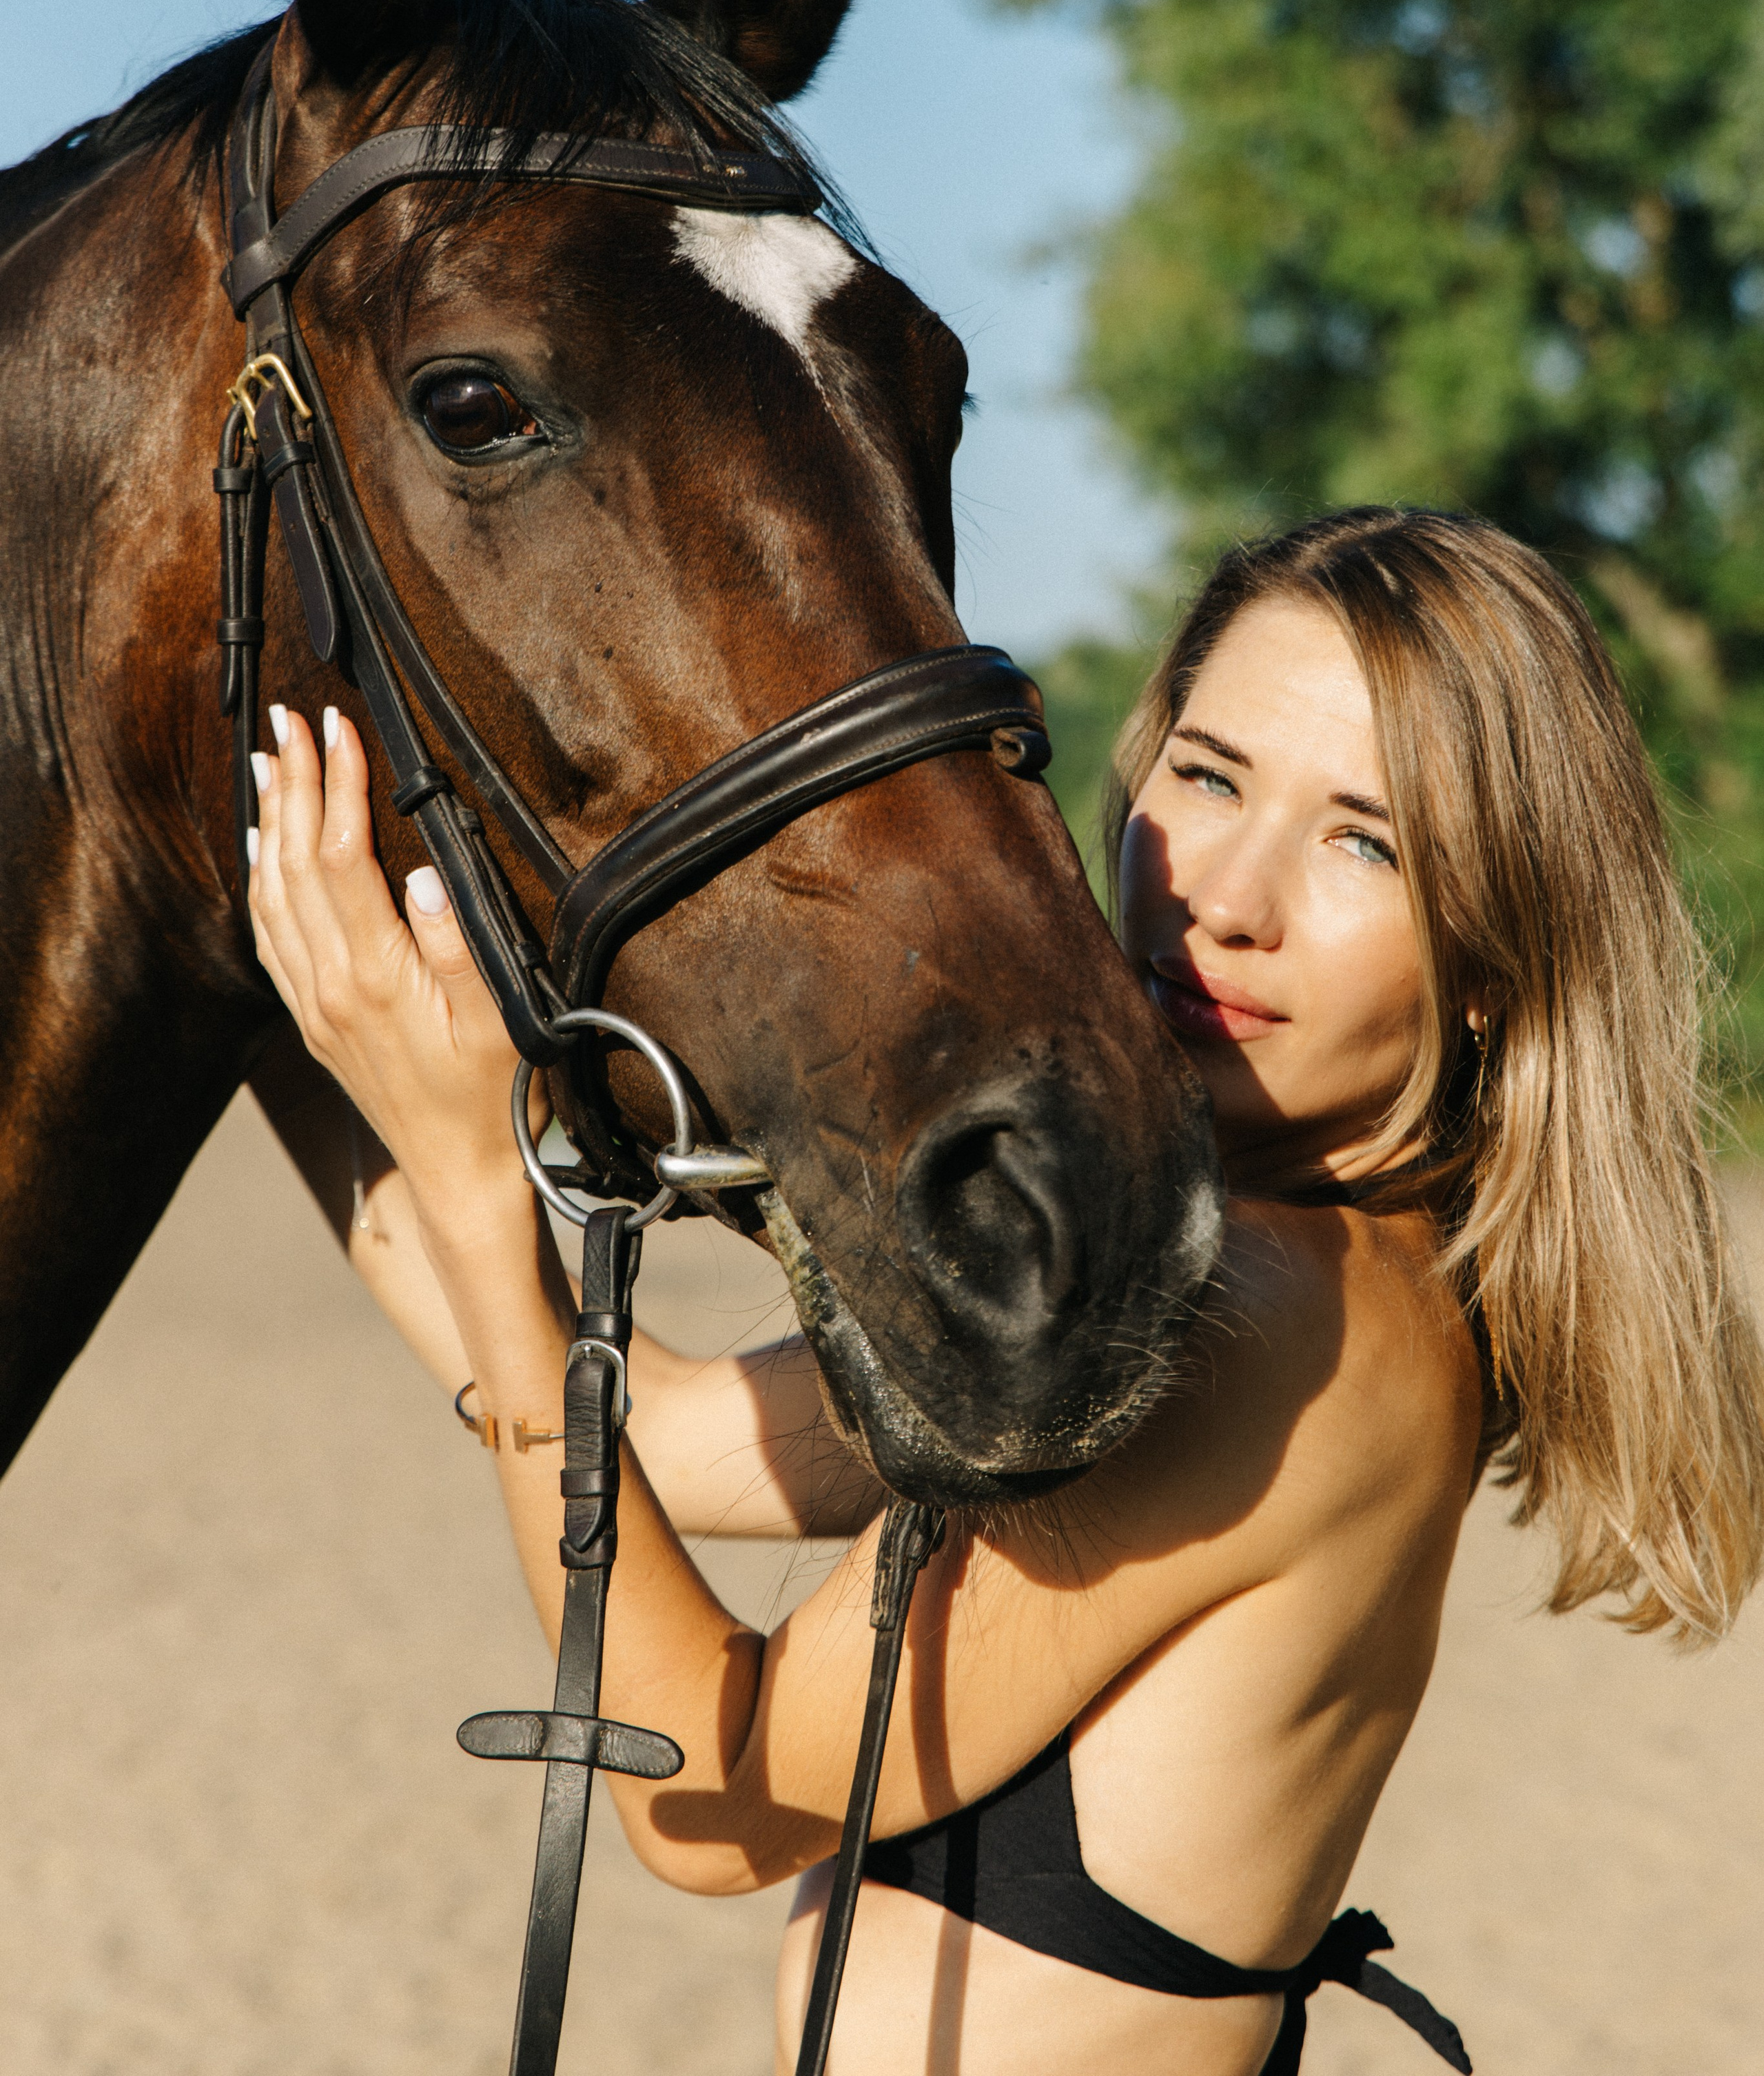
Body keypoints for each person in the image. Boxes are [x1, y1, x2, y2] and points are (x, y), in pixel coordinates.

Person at [247, 506, 1764, 2076]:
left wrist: (484, 1209)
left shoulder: (1264, 1323)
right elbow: (682, 1440)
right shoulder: (1280, 1258)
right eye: (1209, 775)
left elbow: (713, 1793)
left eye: (1362, 840)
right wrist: (313, 1033)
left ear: (1494, 950)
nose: (1226, 897)